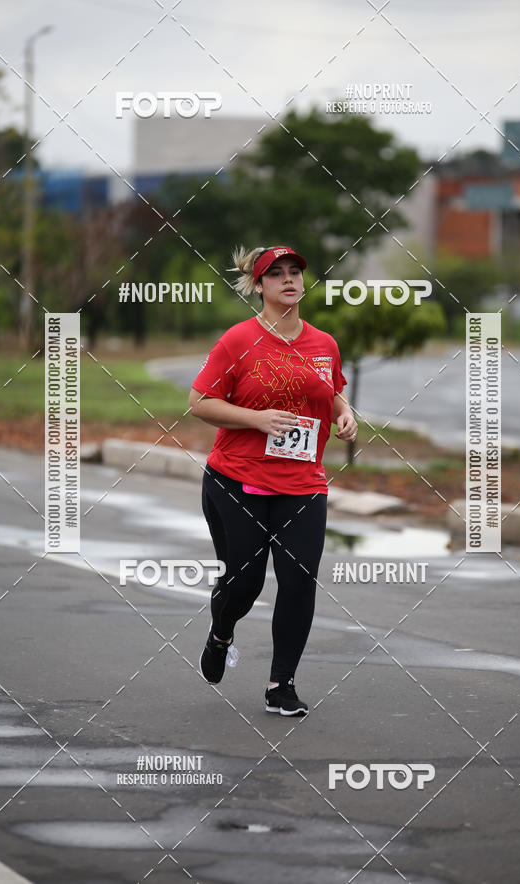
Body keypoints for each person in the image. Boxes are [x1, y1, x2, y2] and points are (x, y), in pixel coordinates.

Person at [188, 245, 357, 717]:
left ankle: (281, 685)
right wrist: (256, 420)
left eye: (294, 272)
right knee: (244, 584)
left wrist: (345, 414)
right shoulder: (238, 340)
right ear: (259, 285)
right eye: (276, 273)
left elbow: (331, 393)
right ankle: (221, 633)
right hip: (236, 480)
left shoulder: (324, 344)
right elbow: (199, 402)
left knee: (299, 582)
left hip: (303, 484)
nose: (288, 280)